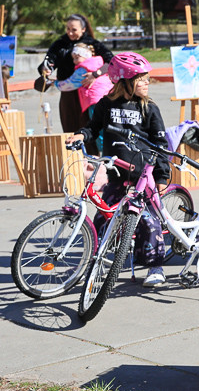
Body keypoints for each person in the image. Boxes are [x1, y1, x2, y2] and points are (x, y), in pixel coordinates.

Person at [66, 52, 170, 288]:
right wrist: (81, 135)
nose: (147, 83)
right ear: (125, 81)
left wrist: (162, 175)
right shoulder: (106, 104)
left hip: (142, 178)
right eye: (142, 79)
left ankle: (155, 266)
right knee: (102, 219)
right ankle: (95, 262)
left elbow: (160, 144)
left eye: (147, 78)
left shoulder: (149, 108)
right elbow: (93, 128)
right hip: (116, 175)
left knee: (148, 222)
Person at [37, 14, 114, 133]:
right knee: (69, 129)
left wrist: (95, 74)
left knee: (89, 130)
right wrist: (45, 69)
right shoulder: (59, 44)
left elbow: (111, 61)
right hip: (68, 93)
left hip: (88, 92)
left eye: (74, 30)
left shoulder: (92, 43)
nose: (70, 33)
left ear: (83, 29)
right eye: (68, 29)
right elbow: (48, 61)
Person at [55, 43, 113, 124]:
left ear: (86, 55)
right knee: (108, 122)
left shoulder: (83, 70)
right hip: (109, 96)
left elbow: (69, 85)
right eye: (73, 58)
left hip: (95, 100)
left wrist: (55, 83)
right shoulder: (99, 64)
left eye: (77, 58)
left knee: (97, 124)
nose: (74, 61)